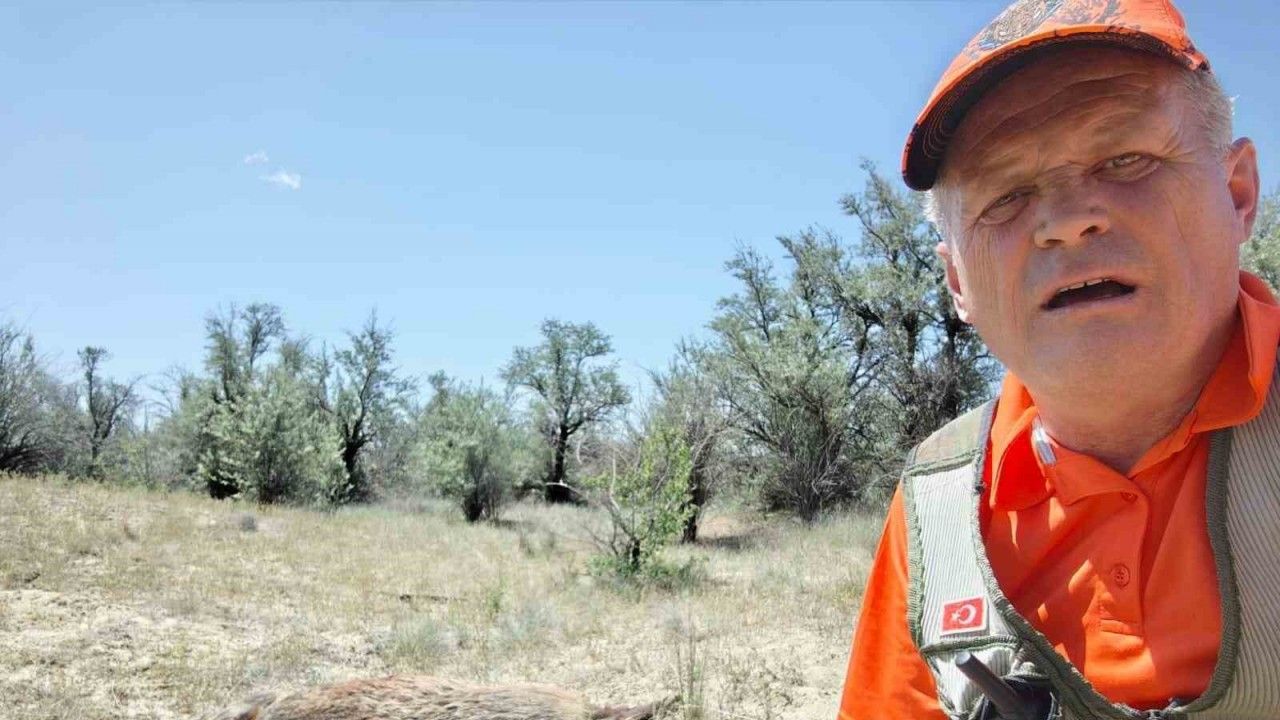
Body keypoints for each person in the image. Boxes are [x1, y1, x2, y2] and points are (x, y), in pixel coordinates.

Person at [836, 0, 1277, 718]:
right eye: (1007, 196)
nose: (1068, 221)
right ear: (957, 281)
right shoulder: (939, 507)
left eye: (1125, 160)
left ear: (1238, 195)